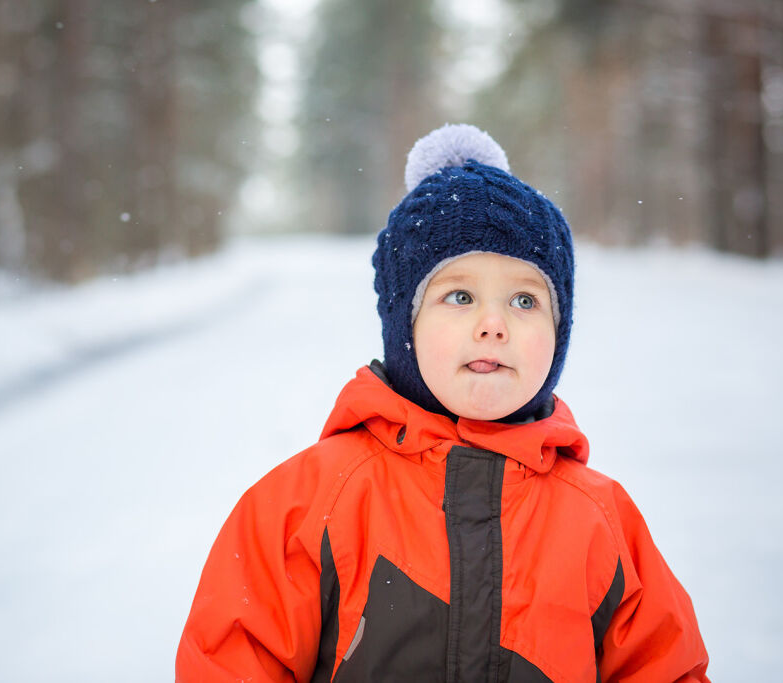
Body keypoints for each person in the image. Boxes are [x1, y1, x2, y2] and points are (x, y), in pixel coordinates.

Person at [176, 124, 709, 682]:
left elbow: (665, 667)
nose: (493, 325)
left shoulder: (601, 519)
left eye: (525, 299)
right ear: (402, 323)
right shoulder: (307, 505)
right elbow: (230, 661)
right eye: (459, 296)